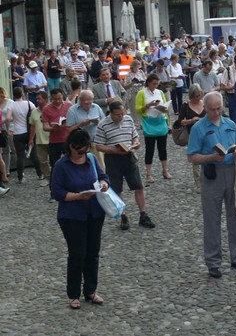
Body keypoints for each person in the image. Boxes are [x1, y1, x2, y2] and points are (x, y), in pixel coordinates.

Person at [187, 91, 236, 278]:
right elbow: (192, 156)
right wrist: (210, 157)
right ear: (205, 108)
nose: (216, 112)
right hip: (212, 175)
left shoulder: (230, 124)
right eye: (212, 109)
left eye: (218, 108)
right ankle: (213, 262)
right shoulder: (199, 128)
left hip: (232, 172)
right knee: (212, 219)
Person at [50, 128, 110, 309]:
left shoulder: (91, 159)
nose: (82, 154)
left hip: (94, 213)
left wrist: (103, 183)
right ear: (70, 147)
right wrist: (78, 196)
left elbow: (103, 175)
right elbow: (57, 192)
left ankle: (90, 290)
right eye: (79, 151)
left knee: (93, 253)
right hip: (72, 216)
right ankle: (73, 293)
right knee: (78, 254)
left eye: (85, 150)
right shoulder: (62, 165)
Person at [94, 101, 155, 230]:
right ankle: (123, 216)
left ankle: (143, 214)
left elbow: (135, 136)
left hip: (129, 157)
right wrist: (113, 150)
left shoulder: (128, 119)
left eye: (122, 114)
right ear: (110, 113)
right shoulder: (103, 125)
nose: (121, 117)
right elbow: (98, 145)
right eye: (117, 115)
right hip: (113, 159)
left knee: (138, 186)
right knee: (117, 189)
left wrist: (135, 143)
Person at [136, 74, 171, 184]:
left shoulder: (160, 92)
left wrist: (165, 111)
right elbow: (137, 109)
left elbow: (165, 105)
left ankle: (165, 170)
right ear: (148, 83)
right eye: (153, 84)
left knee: (163, 148)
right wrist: (148, 105)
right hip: (149, 122)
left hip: (160, 120)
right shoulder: (142, 93)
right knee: (149, 149)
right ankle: (149, 173)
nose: (155, 86)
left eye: (157, 84)